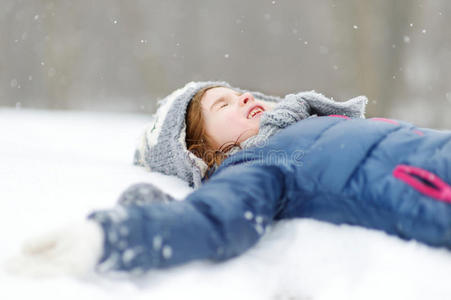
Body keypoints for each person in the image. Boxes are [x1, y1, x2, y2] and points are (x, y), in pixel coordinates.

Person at [7, 81, 451, 276]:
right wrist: (109, 237)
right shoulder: (254, 167)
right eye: (222, 106)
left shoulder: (299, 126)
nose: (242, 97)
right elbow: (213, 224)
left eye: (239, 92)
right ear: (198, 152)